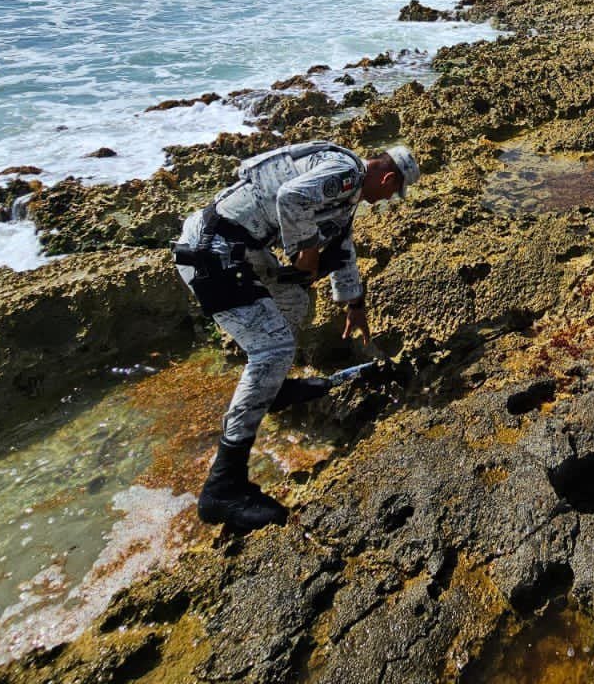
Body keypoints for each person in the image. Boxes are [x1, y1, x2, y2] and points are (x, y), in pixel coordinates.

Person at [172, 140, 420, 530]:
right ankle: (223, 487)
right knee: (272, 348)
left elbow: (342, 246)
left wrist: (354, 304)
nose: (385, 201)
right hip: (211, 251)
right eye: (392, 193)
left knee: (293, 299)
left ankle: (272, 388)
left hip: (239, 249)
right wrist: (305, 249)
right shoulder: (344, 173)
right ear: (388, 178)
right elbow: (290, 197)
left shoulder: (347, 190)